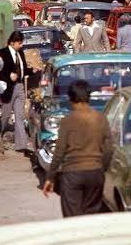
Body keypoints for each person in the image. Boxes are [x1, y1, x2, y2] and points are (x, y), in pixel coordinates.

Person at [43, 80, 113, 217]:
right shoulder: (101, 118)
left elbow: (59, 152)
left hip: (72, 175)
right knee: (91, 216)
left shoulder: (67, 121)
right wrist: (101, 168)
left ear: (71, 98)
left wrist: (50, 177)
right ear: (88, 96)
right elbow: (109, 149)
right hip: (95, 173)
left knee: (73, 219)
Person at [0, 31, 32, 153]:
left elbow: (24, 70)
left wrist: (33, 71)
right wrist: (8, 75)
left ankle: (21, 145)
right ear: (12, 42)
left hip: (20, 87)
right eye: (19, 43)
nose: (21, 45)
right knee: (5, 116)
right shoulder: (2, 53)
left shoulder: (20, 53)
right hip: (8, 89)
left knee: (20, 116)